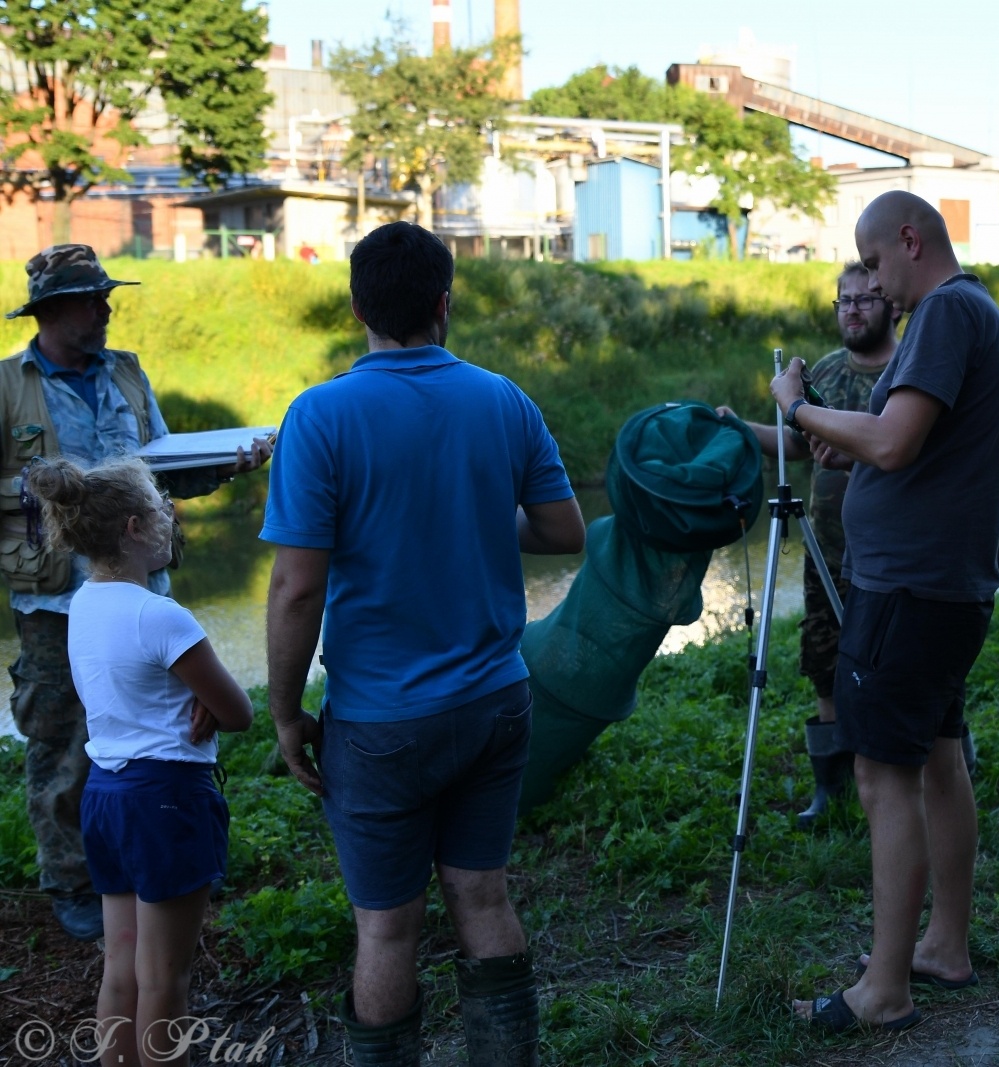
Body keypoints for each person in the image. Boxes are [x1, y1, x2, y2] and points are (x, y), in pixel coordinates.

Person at [263, 221, 586, 1067]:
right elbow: (563, 530)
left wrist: (286, 710)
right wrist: (476, 515)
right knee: (482, 893)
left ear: (357, 306)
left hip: (380, 722)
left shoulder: (319, 416)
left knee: (388, 926)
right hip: (494, 702)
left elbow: (297, 587)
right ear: (445, 303)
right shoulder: (503, 399)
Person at [774, 191, 999, 1034]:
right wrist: (838, 431)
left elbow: (891, 443)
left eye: (875, 266)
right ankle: (943, 944)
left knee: (882, 775)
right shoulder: (972, 311)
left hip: (908, 593)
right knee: (941, 759)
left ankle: (883, 988)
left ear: (908, 240)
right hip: (943, 589)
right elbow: (896, 432)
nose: (873, 288)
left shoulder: (947, 313)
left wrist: (797, 405)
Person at [1, 244, 271, 942]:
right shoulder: (8, 384)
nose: (107, 309)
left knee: (164, 728)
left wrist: (220, 465)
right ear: (55, 310)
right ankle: (74, 882)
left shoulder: (126, 371)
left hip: (142, 591)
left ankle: (156, 865)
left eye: (106, 296)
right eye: (93, 299)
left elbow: (162, 470)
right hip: (57, 602)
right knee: (62, 743)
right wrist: (58, 490)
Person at [29, 453, 253, 1067]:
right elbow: (238, 713)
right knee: (165, 980)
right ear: (133, 529)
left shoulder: (81, 606)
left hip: (105, 797)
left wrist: (191, 693)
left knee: (122, 970)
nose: (169, 519)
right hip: (166, 800)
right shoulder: (161, 616)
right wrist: (201, 698)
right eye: (161, 509)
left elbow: (130, 689)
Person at [717, 261, 898, 827]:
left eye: (865, 300)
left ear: (889, 303)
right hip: (830, 550)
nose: (853, 310)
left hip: (893, 556)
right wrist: (742, 428)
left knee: (902, 665)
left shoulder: (908, 372)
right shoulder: (823, 371)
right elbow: (799, 443)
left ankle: (924, 771)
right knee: (824, 660)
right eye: (843, 301)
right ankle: (832, 789)